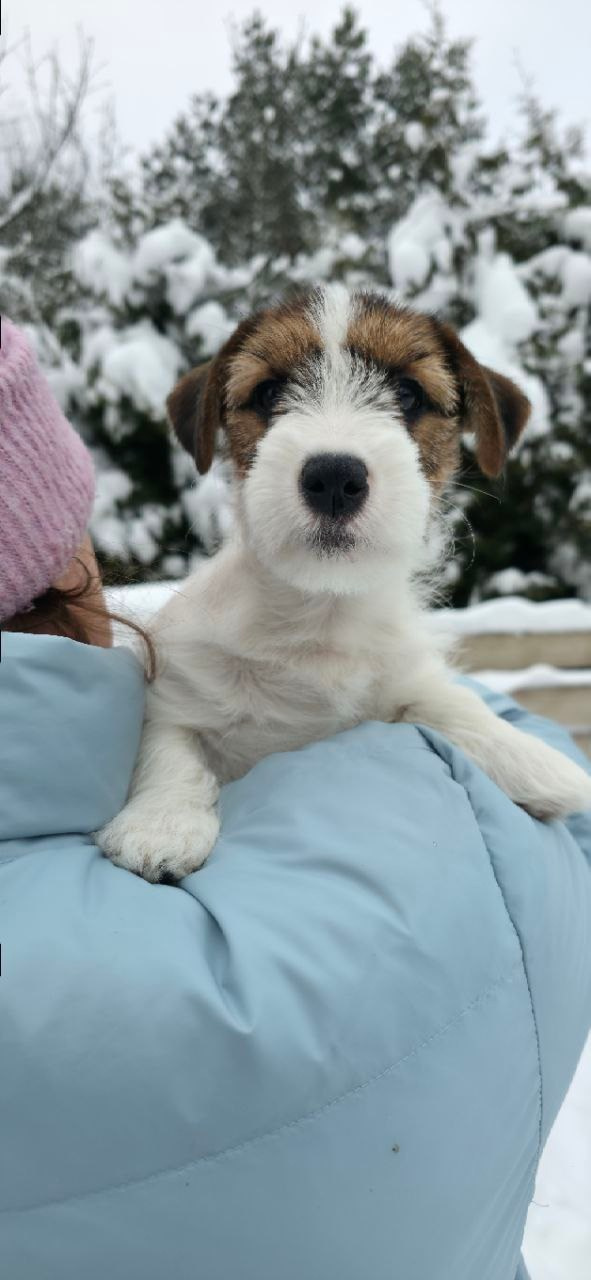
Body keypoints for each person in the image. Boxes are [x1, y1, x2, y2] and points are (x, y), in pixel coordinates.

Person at [1, 317, 590, 1280]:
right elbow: (176, 721)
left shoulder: (399, 660)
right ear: (216, 435)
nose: (335, 447)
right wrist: (176, 792)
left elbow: (419, 699)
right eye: (270, 395)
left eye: (406, 398)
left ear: (476, 432)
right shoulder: (185, 648)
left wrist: (478, 738)